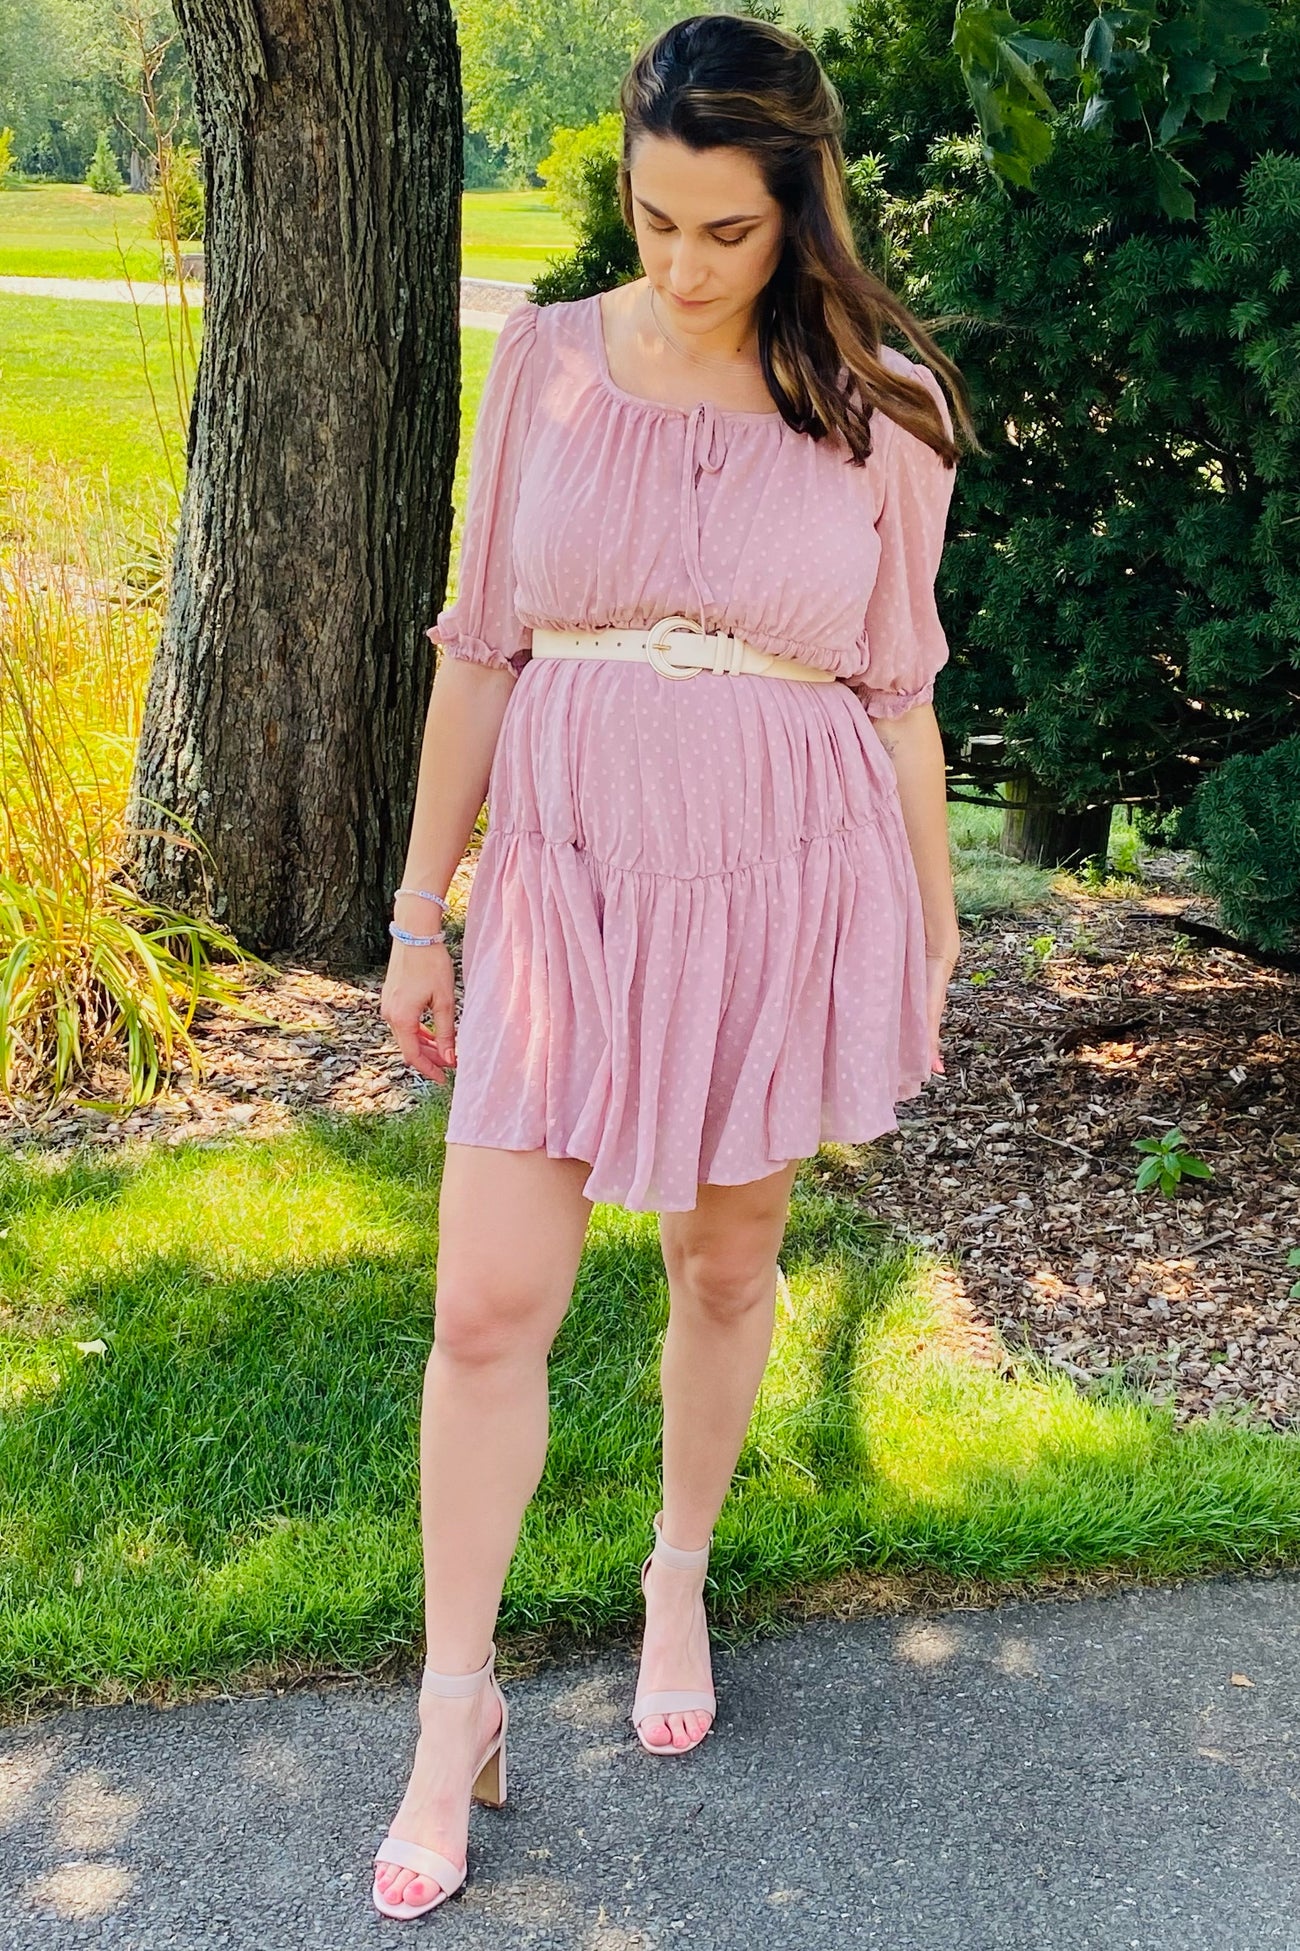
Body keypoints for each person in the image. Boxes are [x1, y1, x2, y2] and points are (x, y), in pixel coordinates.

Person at [372, 10, 975, 1922]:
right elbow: (481, 645)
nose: (688, 263)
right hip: (567, 882)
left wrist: (934, 929)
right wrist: (417, 913)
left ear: (799, 208)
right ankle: (451, 1714)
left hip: (783, 882)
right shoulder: (546, 361)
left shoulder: (880, 403)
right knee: (489, 1308)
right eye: (655, 220)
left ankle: (678, 1575)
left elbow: (900, 697)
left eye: (730, 229)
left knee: (724, 1262)